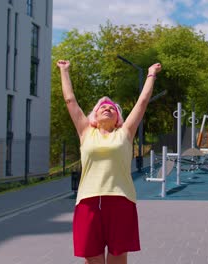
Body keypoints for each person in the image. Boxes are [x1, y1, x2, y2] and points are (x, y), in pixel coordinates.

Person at [56, 59, 162, 264]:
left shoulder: (125, 133)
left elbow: (142, 103)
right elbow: (70, 100)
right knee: (92, 259)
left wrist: (150, 74)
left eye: (111, 107)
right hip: (88, 202)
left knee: (118, 258)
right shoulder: (86, 131)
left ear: (118, 118)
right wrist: (64, 70)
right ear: (94, 116)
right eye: (102, 107)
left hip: (120, 201)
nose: (107, 108)